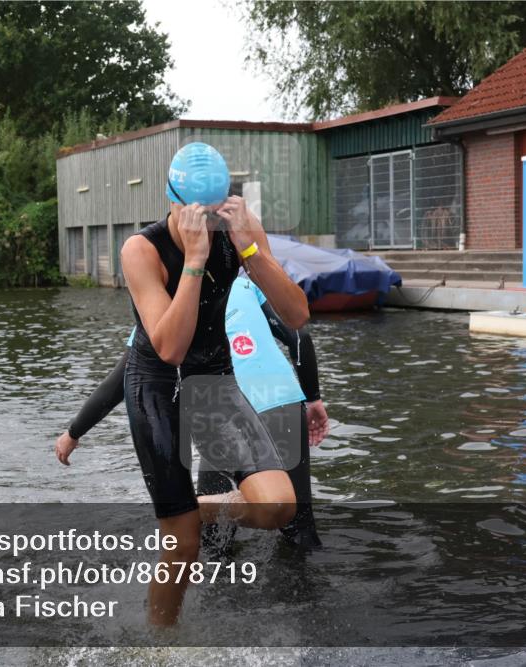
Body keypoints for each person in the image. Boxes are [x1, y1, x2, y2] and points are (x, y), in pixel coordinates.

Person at [116, 141, 311, 625]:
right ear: (172, 201)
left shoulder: (238, 233)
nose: (206, 224)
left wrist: (250, 250)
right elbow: (169, 348)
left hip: (215, 382)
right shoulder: (141, 249)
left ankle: (193, 508)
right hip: (157, 388)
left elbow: (297, 315)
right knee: (182, 547)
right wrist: (196, 261)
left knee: (280, 506)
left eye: (215, 213)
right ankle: (160, 647)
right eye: (196, 213)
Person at [55, 274, 330, 548]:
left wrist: (74, 432)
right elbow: (299, 337)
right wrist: (314, 399)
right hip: (280, 399)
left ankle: (187, 517)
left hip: (223, 413)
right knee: (299, 528)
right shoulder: (243, 283)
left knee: (213, 536)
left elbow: (121, 381)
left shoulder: (160, 312)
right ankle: (307, 590)